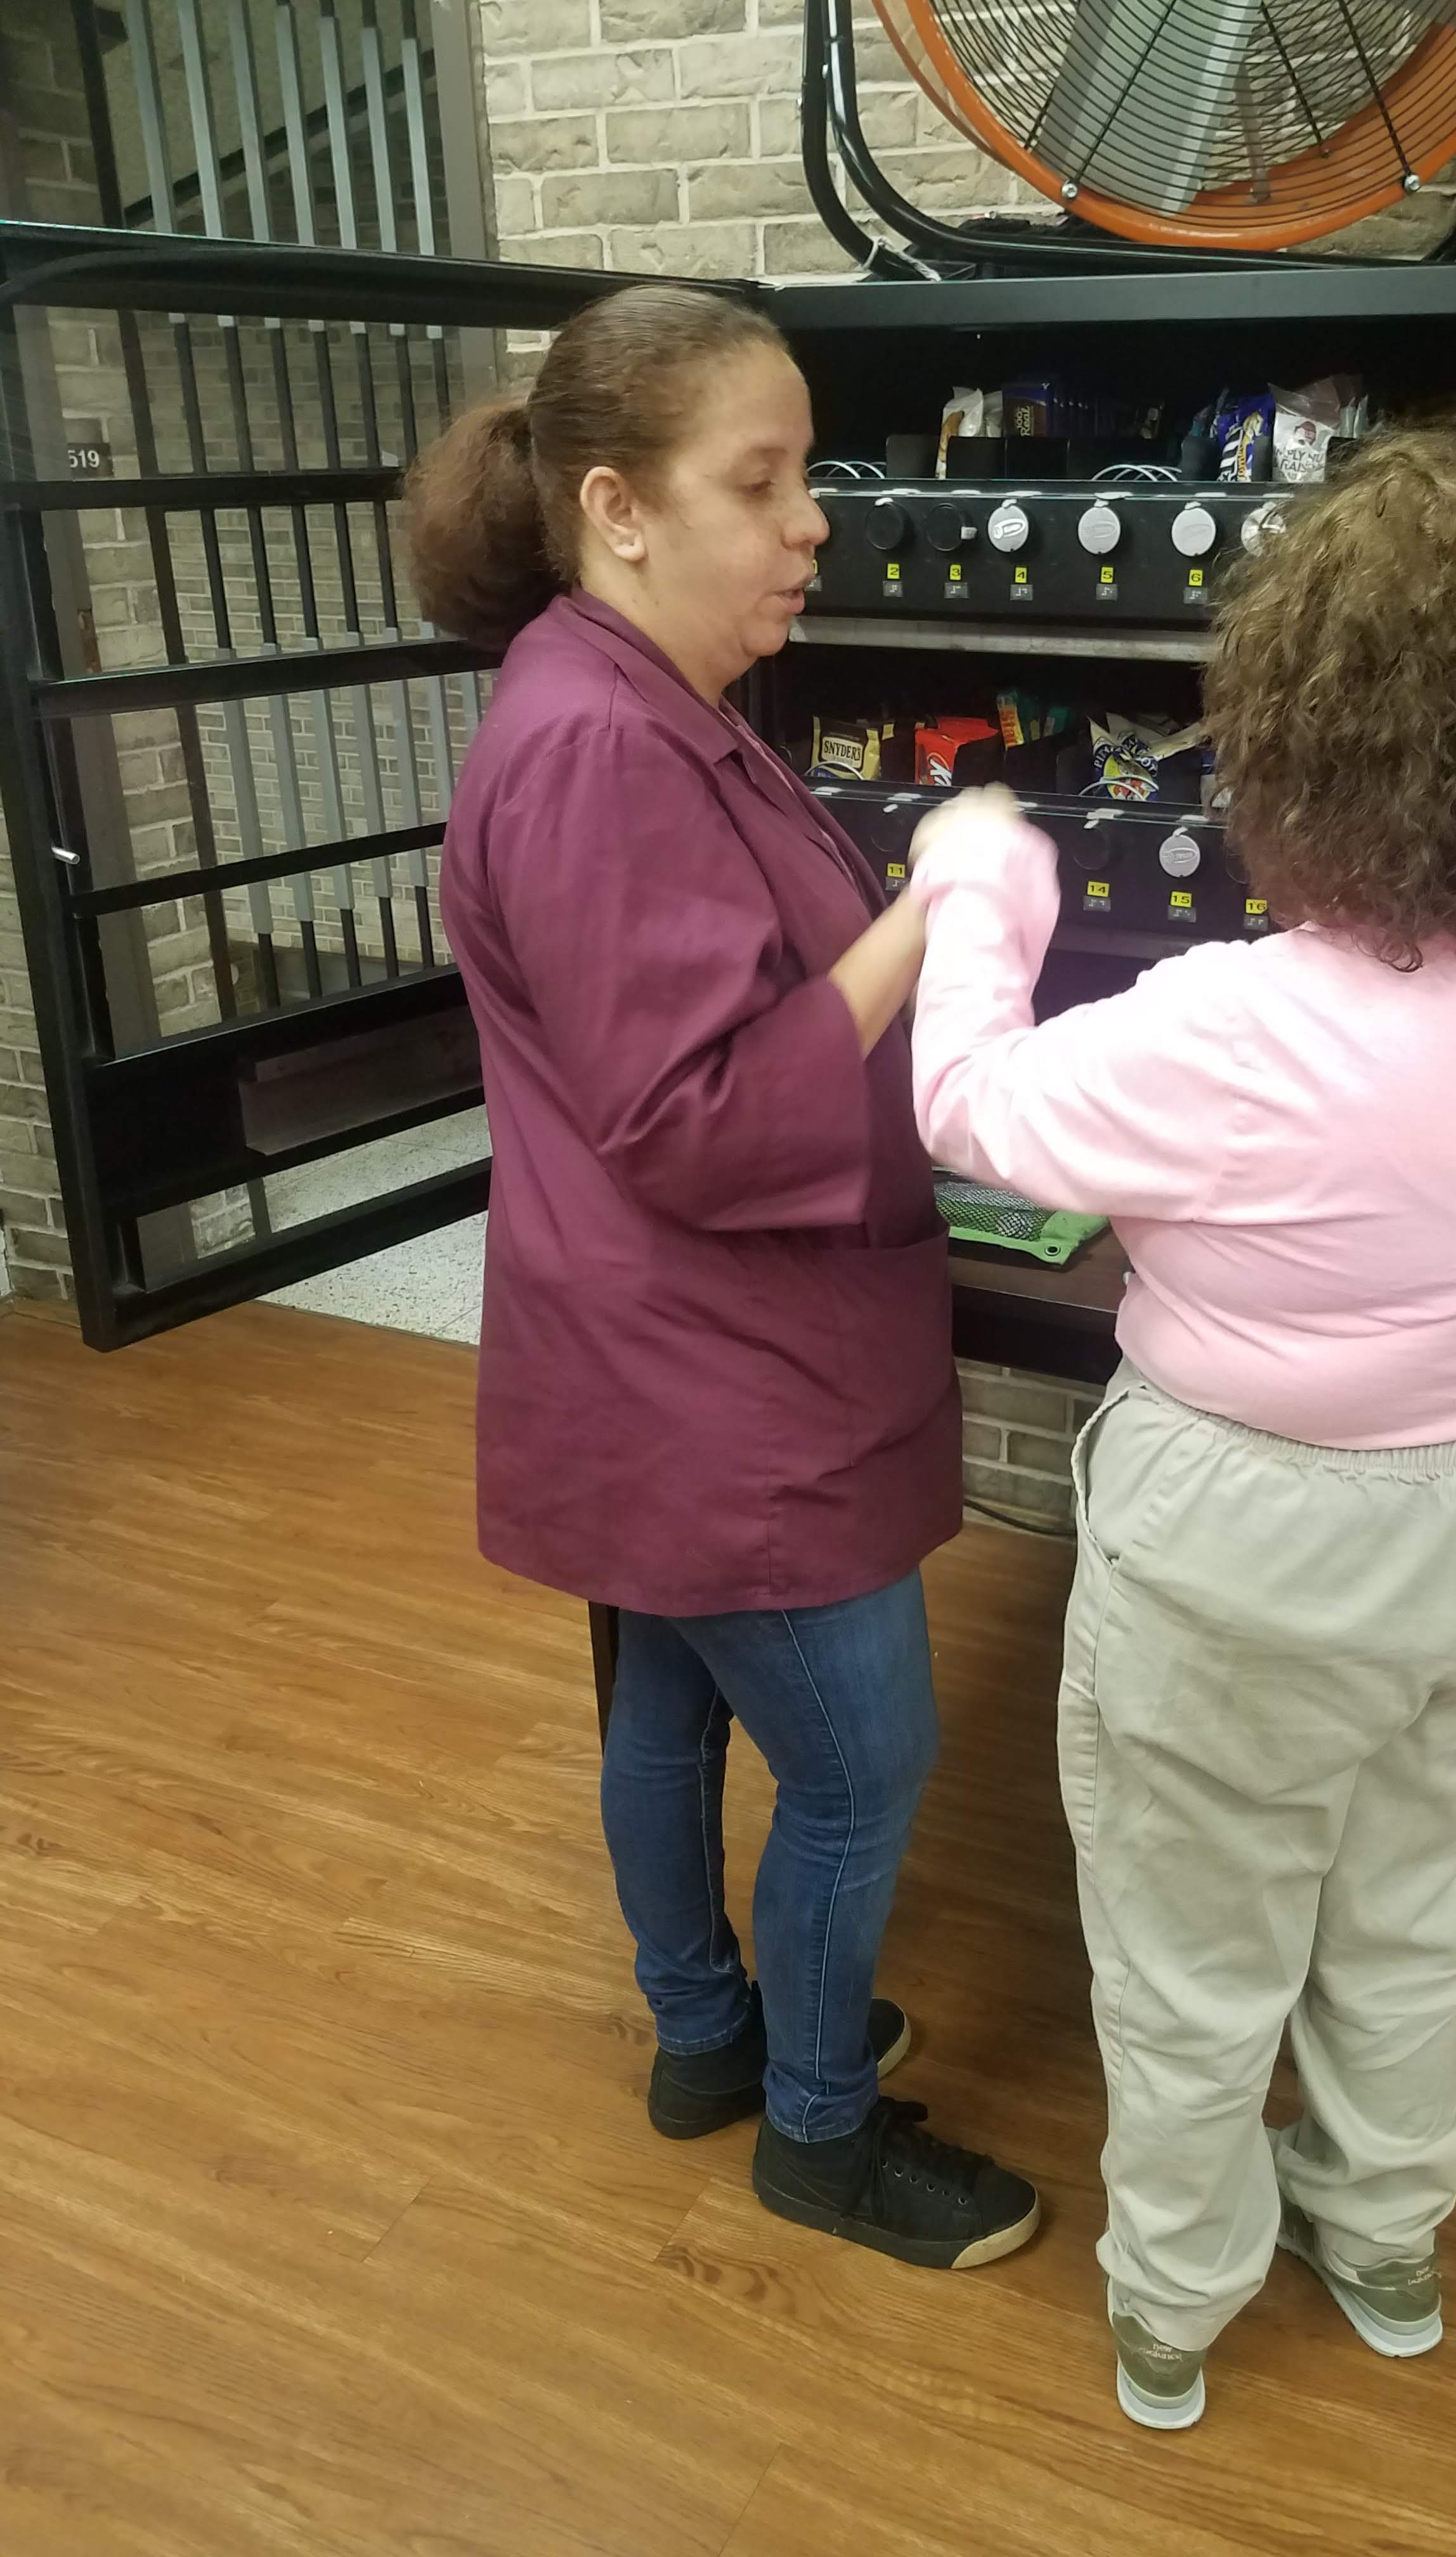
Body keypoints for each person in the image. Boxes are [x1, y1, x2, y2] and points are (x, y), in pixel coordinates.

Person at [906, 432, 1456, 2422]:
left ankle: (1176, 2310)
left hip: (1266, 1544)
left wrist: (976, 890)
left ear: (1304, 736)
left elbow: (972, 1116)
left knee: (1200, 1939)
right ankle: (1383, 2235)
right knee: (1411, 1871)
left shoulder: (1244, 1025)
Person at [408, 284, 1037, 2272]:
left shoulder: (649, 709)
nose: (812, 528)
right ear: (615, 506)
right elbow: (699, 1113)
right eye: (760, 486)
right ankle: (819, 2136)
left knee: (673, 1701)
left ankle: (709, 2038)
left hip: (660, 1355)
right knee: (863, 1768)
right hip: (714, 1374)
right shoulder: (600, 746)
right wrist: (931, 917)